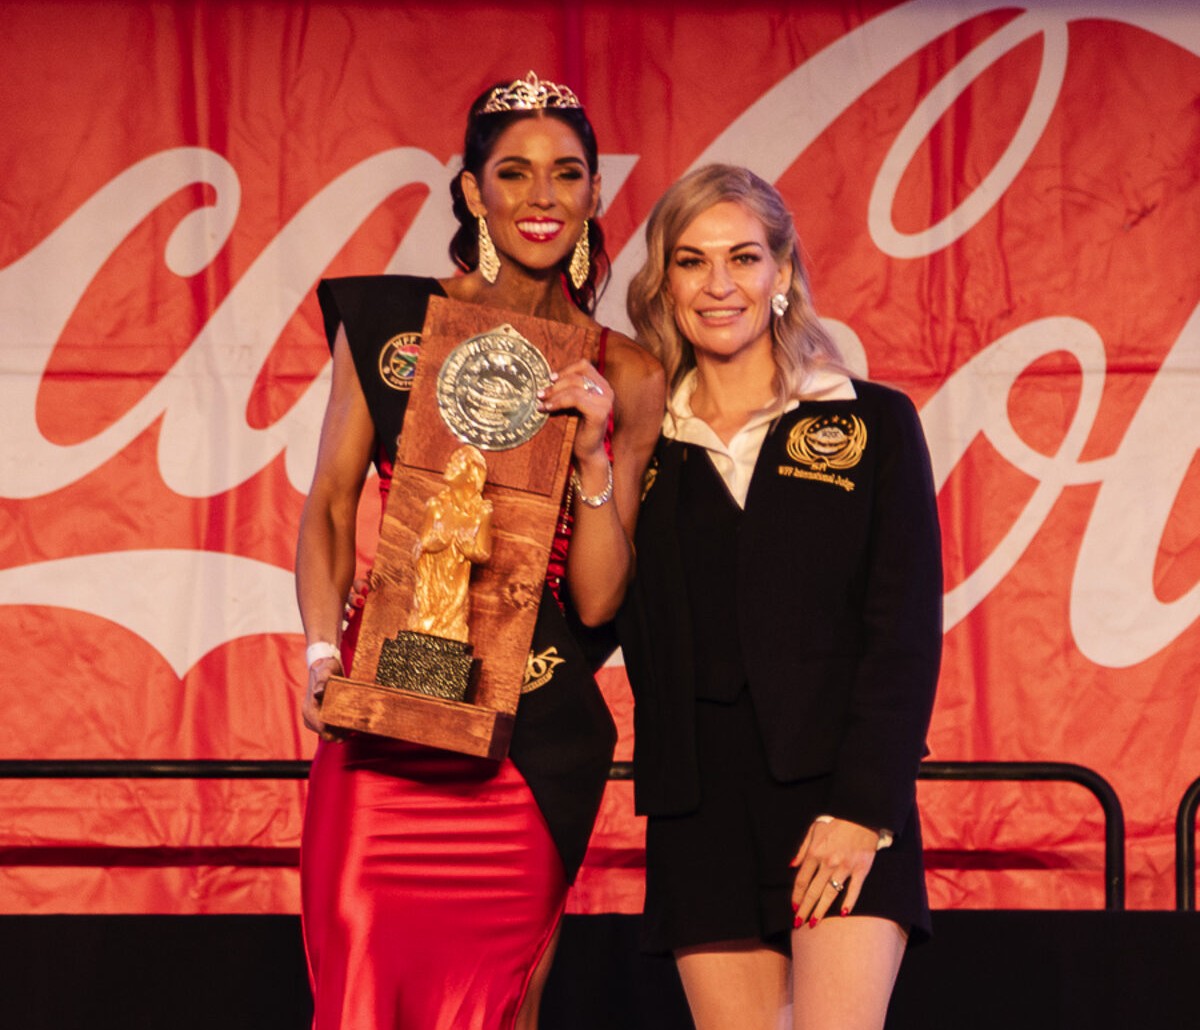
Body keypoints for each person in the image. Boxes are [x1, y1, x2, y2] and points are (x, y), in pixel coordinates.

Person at [295, 71, 664, 1029]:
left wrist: (593, 454)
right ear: (471, 190)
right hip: (388, 727)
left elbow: (599, 604)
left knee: (496, 1009)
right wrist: (322, 654)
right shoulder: (392, 321)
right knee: (361, 993)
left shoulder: (627, 370)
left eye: (567, 173)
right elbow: (331, 505)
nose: (543, 196)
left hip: (527, 750)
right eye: (514, 172)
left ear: (594, 192)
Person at [619, 164, 942, 1030]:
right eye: (691, 261)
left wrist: (863, 808)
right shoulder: (636, 443)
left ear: (782, 271)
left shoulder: (871, 421)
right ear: (664, 283)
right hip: (700, 810)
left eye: (743, 257)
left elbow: (904, 633)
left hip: (839, 797)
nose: (718, 284)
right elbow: (598, 611)